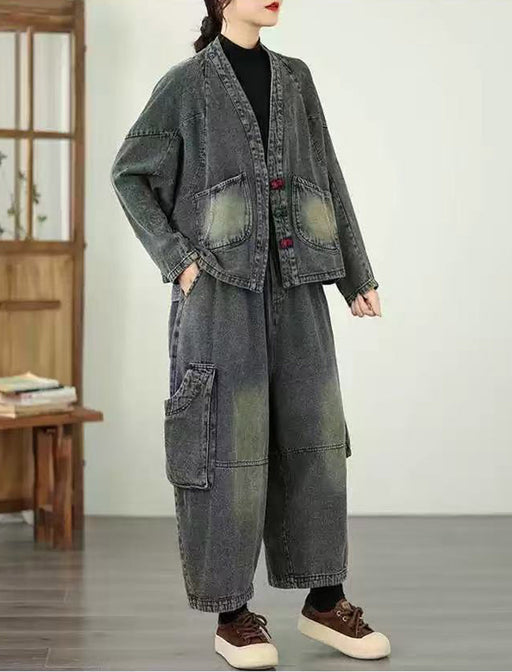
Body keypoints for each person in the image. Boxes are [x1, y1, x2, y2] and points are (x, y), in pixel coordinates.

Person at [110, 0, 389, 668]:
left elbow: (329, 175)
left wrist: (355, 274)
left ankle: (325, 602)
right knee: (225, 449)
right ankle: (233, 616)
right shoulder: (186, 84)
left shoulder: (296, 78)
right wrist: (178, 261)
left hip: (299, 286)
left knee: (315, 439)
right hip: (218, 294)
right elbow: (130, 174)